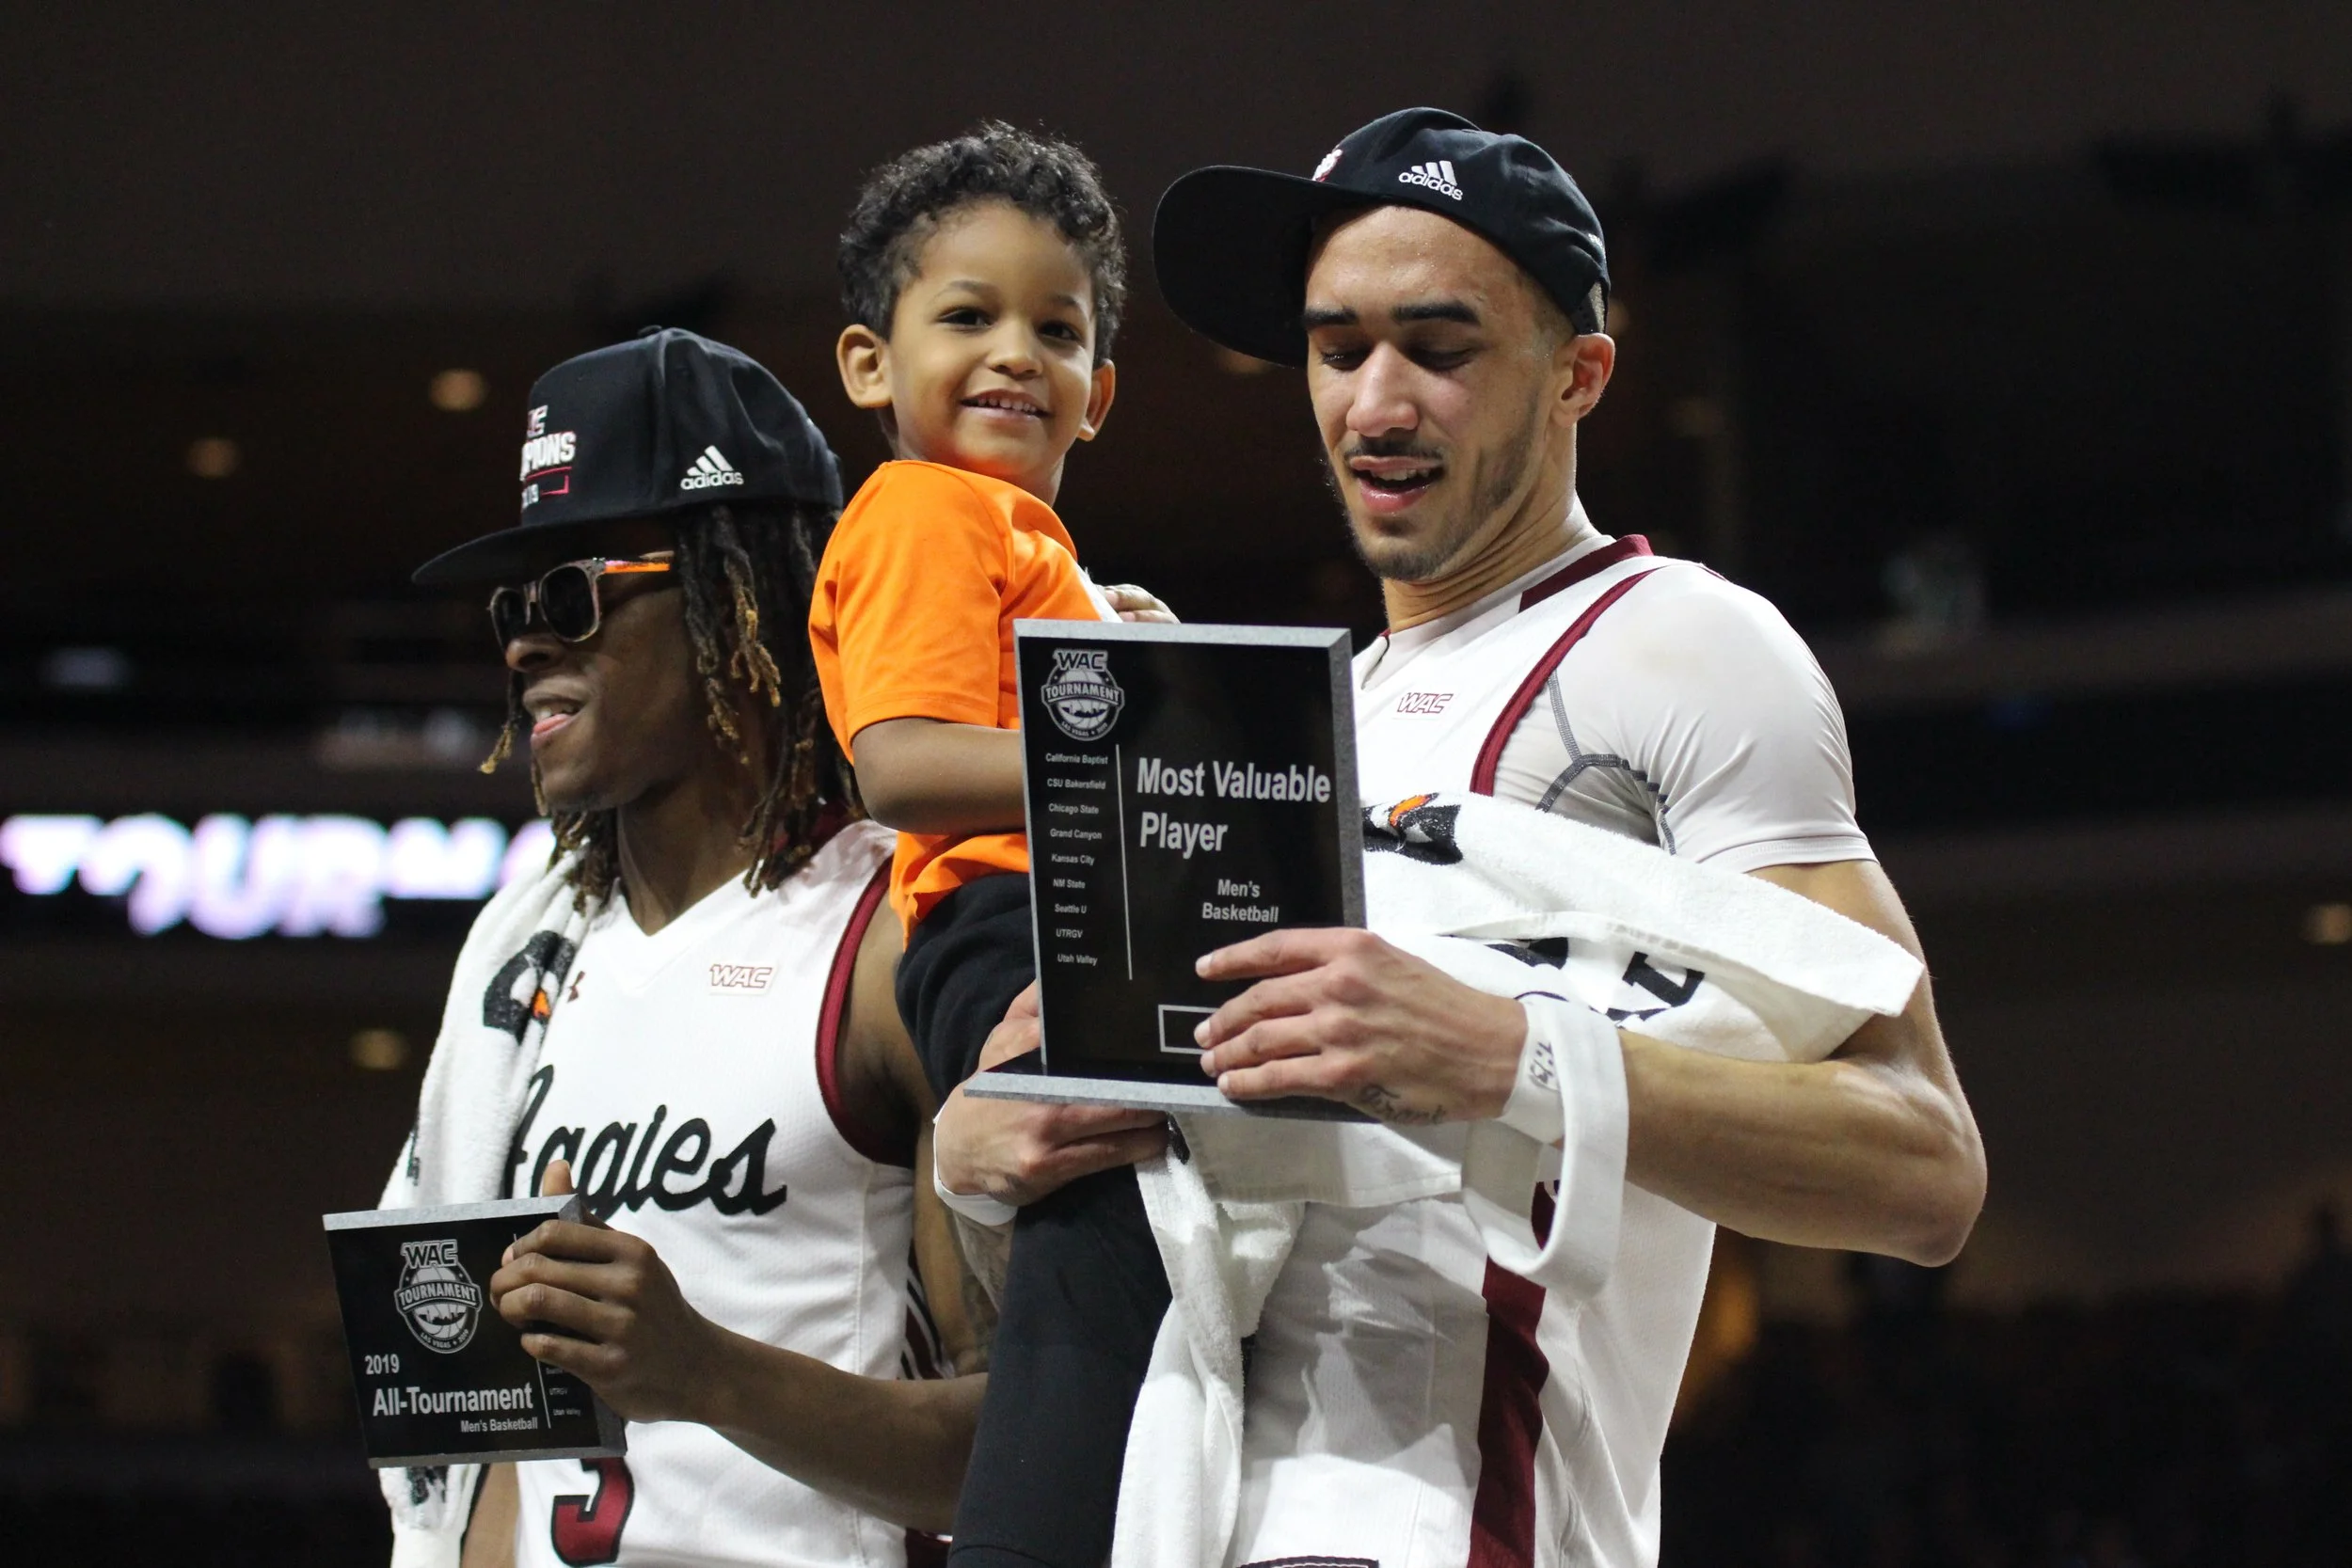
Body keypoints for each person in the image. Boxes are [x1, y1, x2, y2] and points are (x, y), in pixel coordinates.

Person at [934, 108, 1987, 1567]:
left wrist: (1510, 1055)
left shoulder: (1683, 648)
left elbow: (1926, 1164)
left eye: (1439, 347)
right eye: (1336, 345)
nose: (1375, 401)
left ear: (1580, 373)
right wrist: (1002, 1143)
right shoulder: (1294, 731)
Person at [391, 327, 987, 1568]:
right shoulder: (526, 948)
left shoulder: (896, 931)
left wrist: (706, 1370)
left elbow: (1032, 1444)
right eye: (514, 607)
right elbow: (468, 1438)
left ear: (741, 594)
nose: (524, 644)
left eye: (573, 594)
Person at [810, 123, 1176, 1568]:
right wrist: (1142, 752)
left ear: (1100, 391)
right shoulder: (922, 509)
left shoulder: (1032, 549)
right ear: (869, 364)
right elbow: (900, 767)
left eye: (1056, 325)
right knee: (1092, 1264)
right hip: (998, 931)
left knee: (1142, 1260)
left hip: (1061, 916)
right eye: (966, 316)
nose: (1014, 351)